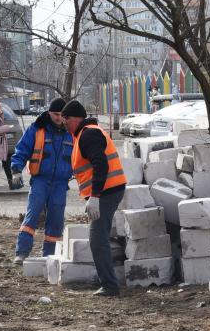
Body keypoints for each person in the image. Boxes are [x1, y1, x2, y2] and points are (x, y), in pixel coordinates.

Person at [61, 99, 126, 297]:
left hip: (107, 191)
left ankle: (110, 286)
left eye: (67, 119)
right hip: (106, 190)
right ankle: (108, 282)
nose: (65, 123)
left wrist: (95, 196)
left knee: (97, 239)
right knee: (98, 238)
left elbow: (101, 166)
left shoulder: (88, 134)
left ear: (78, 118)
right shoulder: (83, 134)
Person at [9, 97, 74, 263]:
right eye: (55, 114)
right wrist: (16, 169)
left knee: (56, 222)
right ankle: (22, 253)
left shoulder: (71, 133)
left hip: (60, 184)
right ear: (49, 113)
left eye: (61, 115)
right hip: (40, 181)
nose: (58, 118)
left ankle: (49, 257)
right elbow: (22, 149)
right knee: (31, 217)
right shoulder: (37, 129)